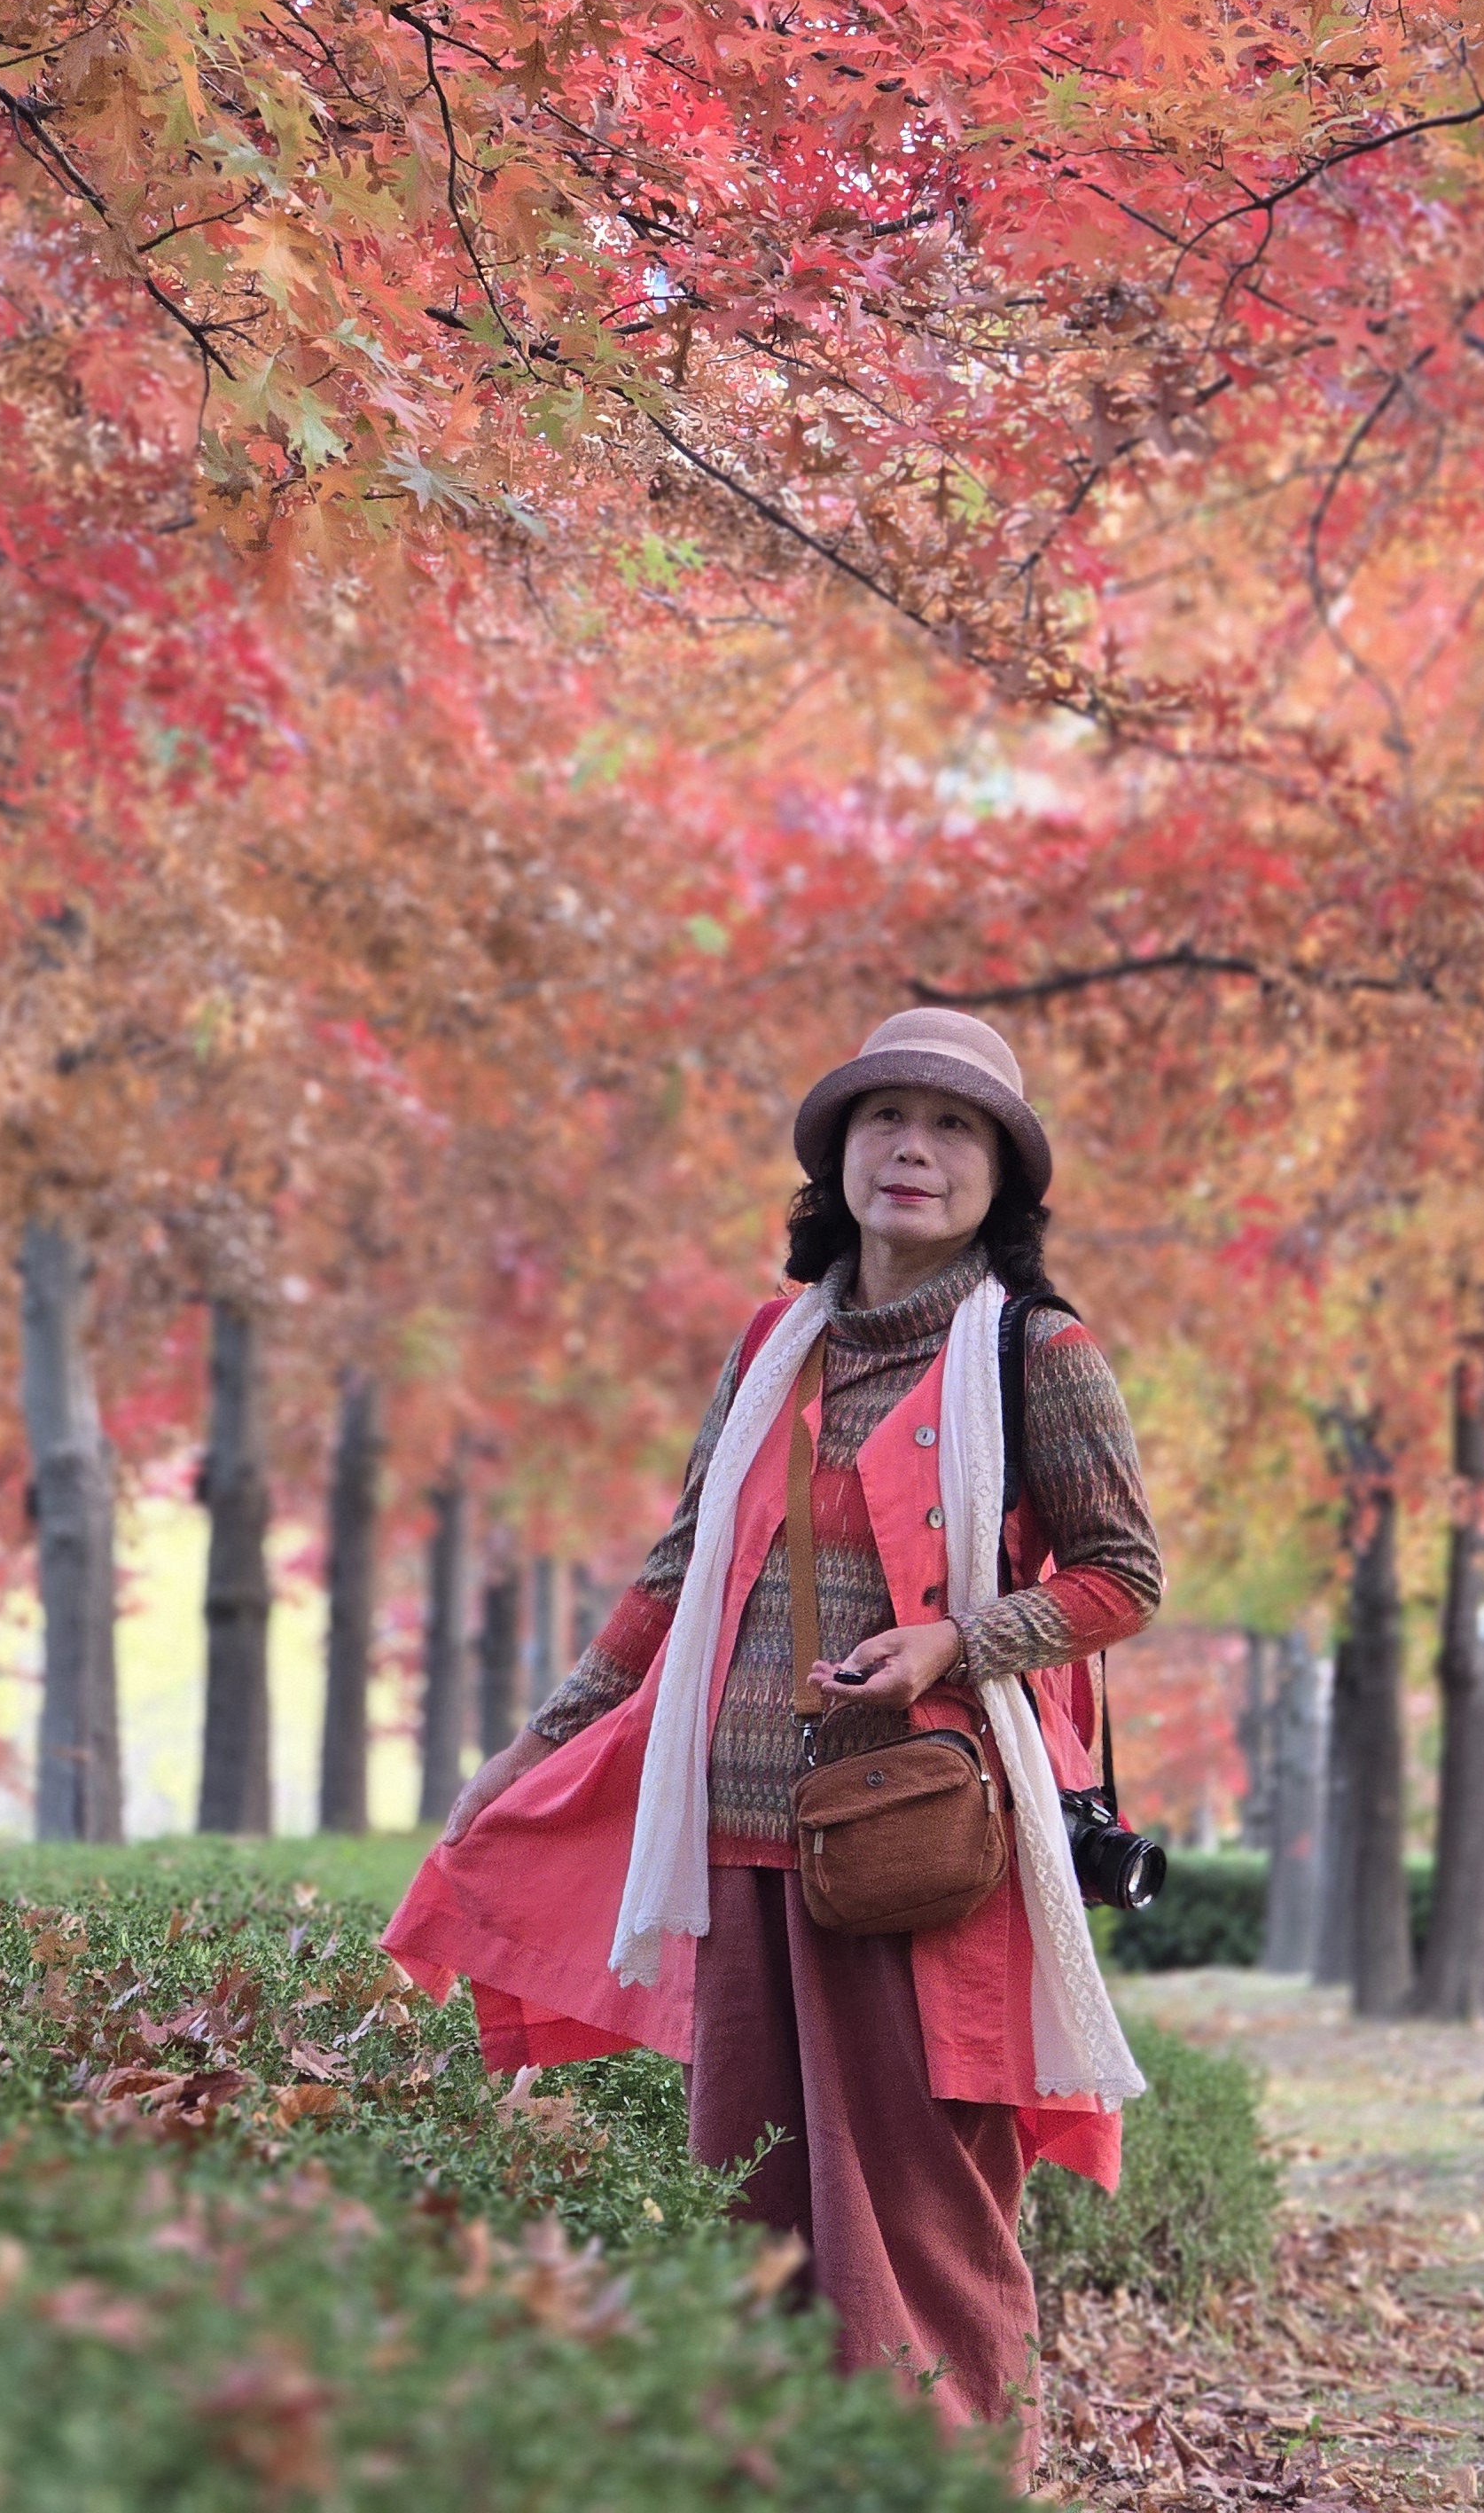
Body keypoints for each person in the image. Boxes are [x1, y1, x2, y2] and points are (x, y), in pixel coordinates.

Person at [385, 1009, 1162, 2467]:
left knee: (918, 2223)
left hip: (920, 1852)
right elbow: (679, 1570)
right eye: (885, 1120)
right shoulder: (772, 1345)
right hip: (744, 1842)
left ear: (1003, 1173)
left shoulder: (1035, 1352)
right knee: (755, 2216)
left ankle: (945, 2485)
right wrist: (537, 1744)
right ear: (837, 1157)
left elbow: (1123, 1578)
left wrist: (955, 1641)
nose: (913, 1150)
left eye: (953, 1127)